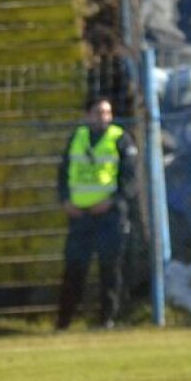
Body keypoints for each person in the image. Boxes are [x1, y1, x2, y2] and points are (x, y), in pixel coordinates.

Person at [56, 97, 138, 330]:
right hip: (79, 216)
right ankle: (64, 322)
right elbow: (63, 173)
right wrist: (65, 200)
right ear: (88, 115)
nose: (104, 117)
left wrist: (112, 201)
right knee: (74, 268)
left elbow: (129, 180)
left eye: (107, 112)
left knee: (110, 267)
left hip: (110, 216)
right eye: (99, 112)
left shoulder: (120, 139)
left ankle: (107, 320)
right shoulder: (77, 137)